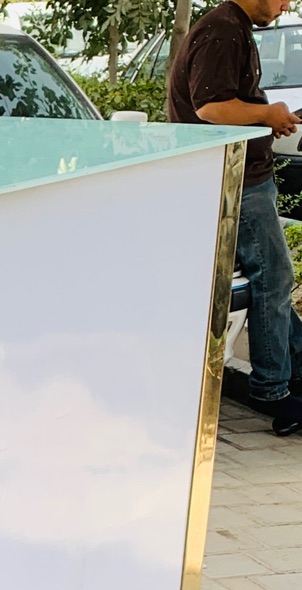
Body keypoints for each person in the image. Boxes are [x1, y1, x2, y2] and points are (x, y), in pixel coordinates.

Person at [169, 0, 302, 437]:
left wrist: (268, 118)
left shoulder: (232, 25)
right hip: (236, 179)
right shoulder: (224, 30)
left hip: (242, 175)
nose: (285, 6)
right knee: (273, 277)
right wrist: (267, 113)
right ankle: (274, 391)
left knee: (272, 279)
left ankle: (290, 375)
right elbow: (212, 108)